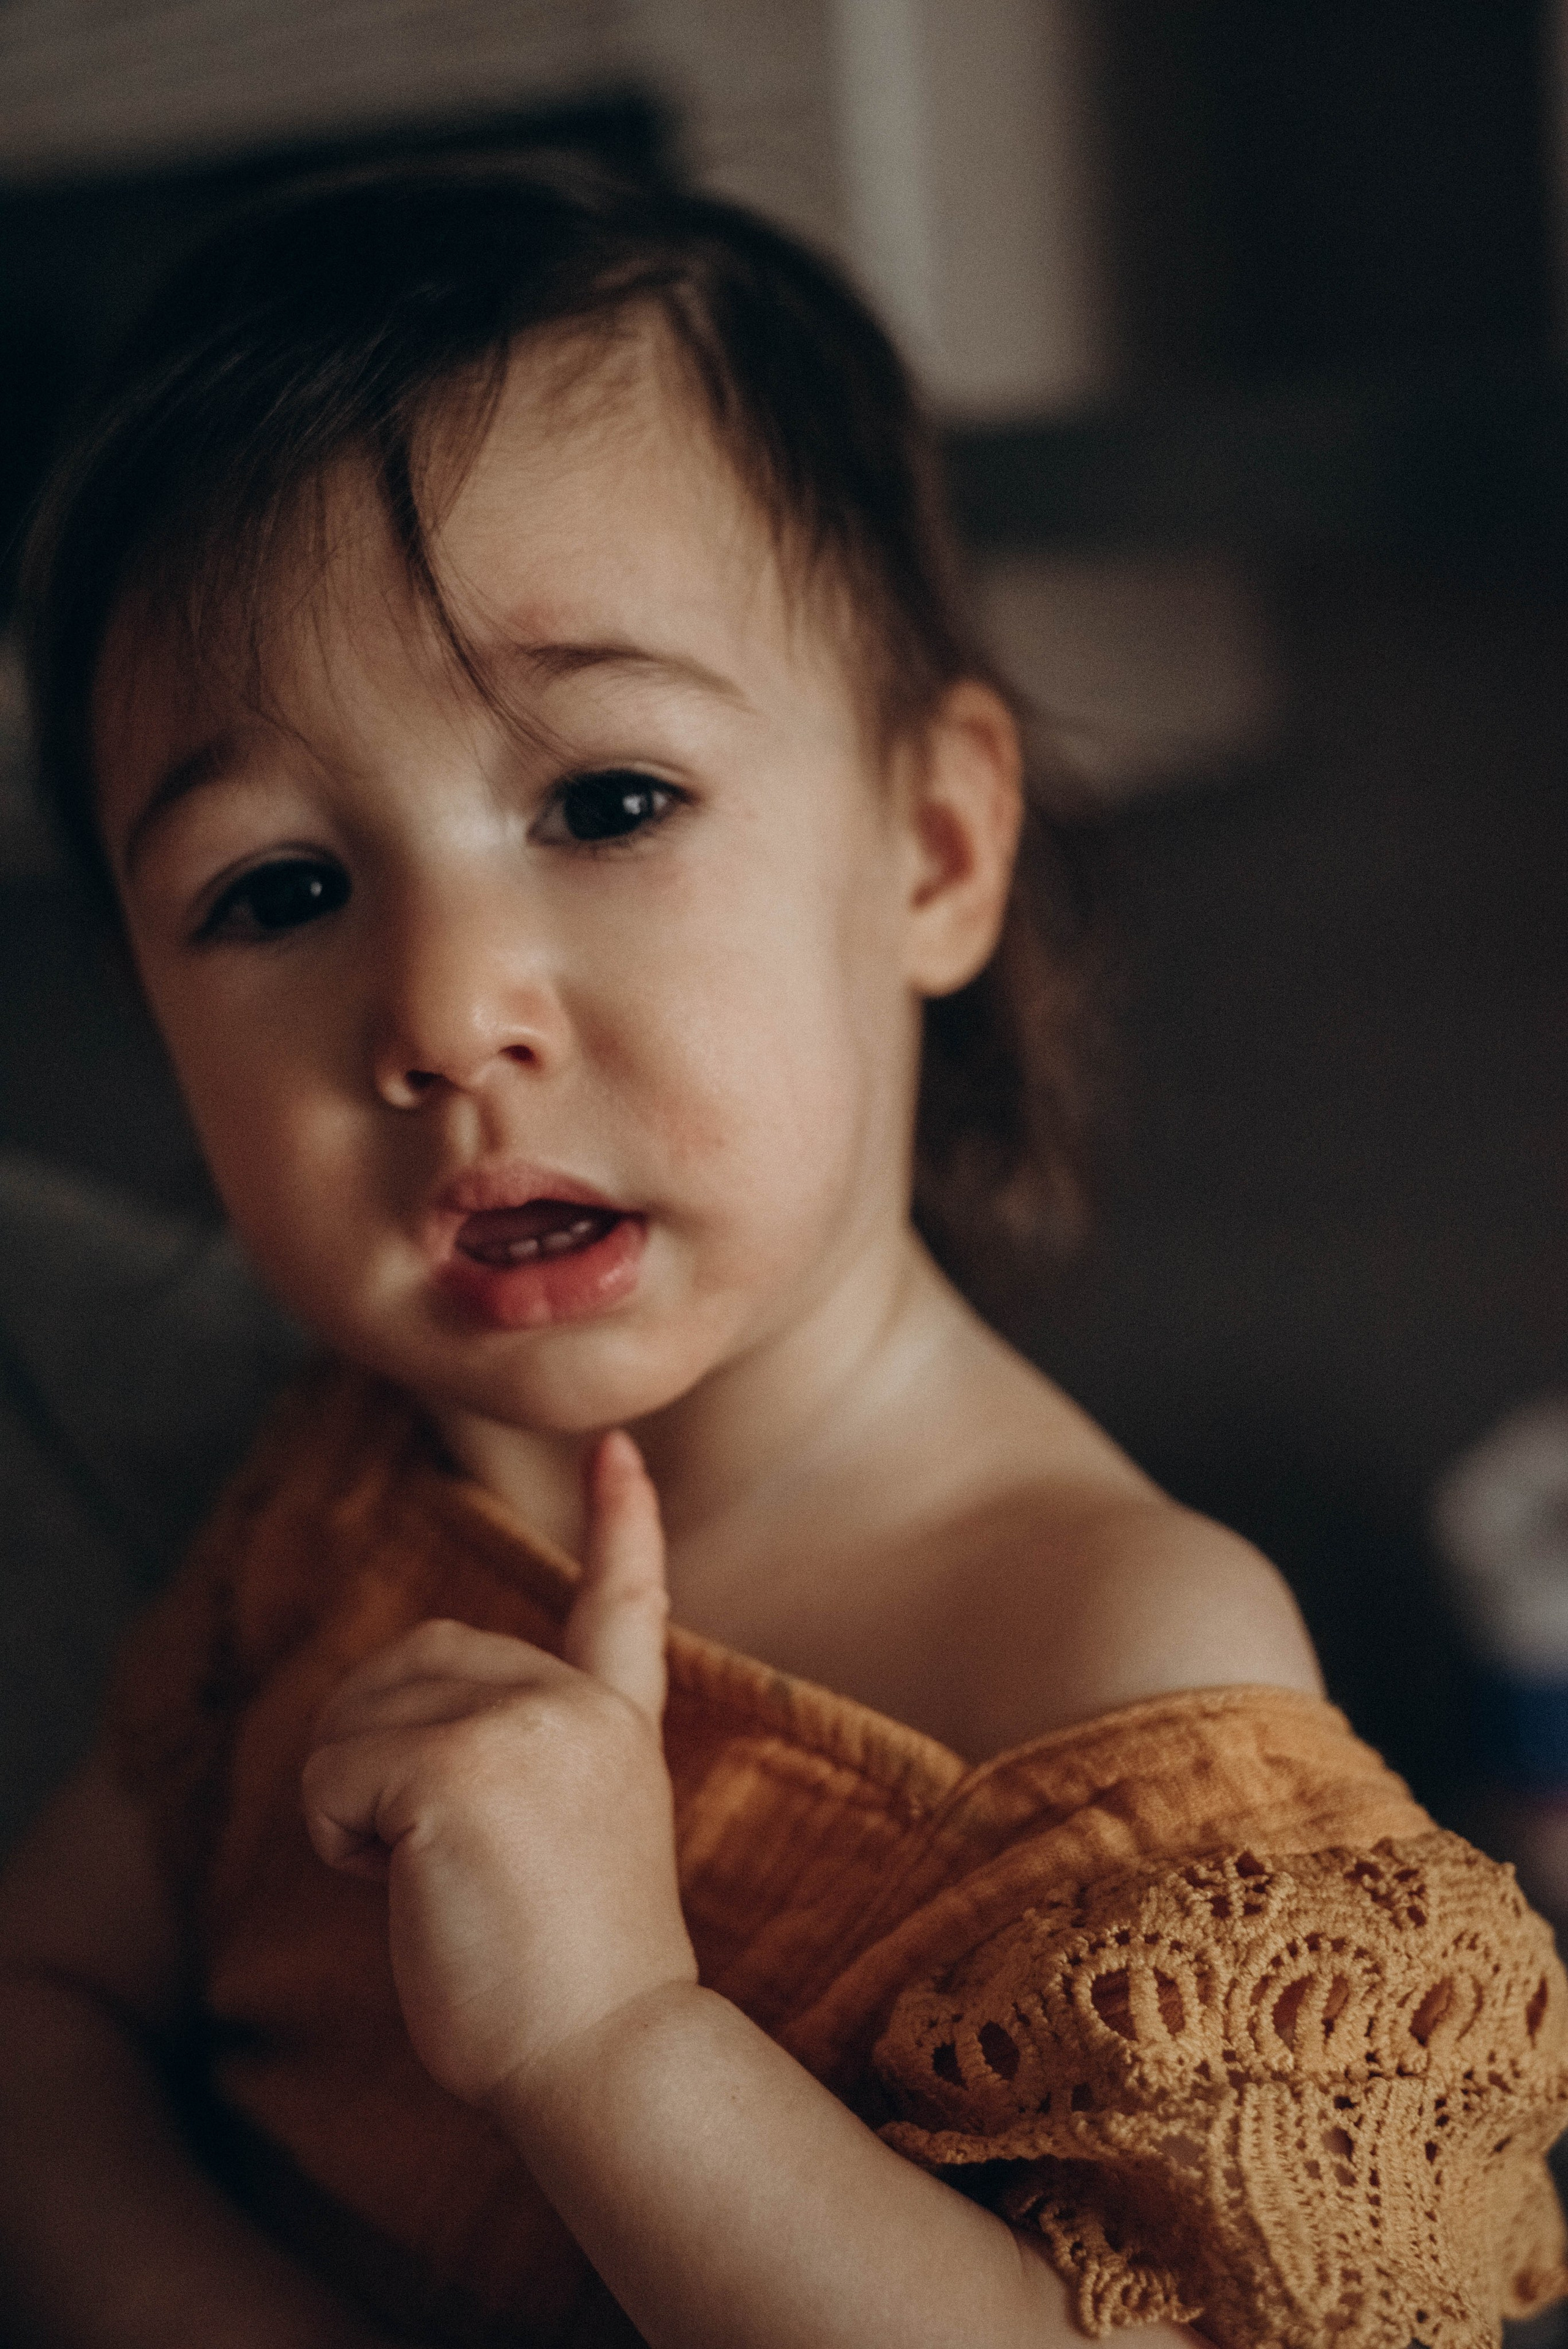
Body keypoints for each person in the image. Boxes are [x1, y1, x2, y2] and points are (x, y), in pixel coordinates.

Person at [0, 161, 1562, 2349]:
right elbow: (44, 1995)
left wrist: (610, 2039)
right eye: (275, 890)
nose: (446, 1016)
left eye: (607, 802)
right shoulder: (338, 1496)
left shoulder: (1103, 1658)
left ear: (933, 846)